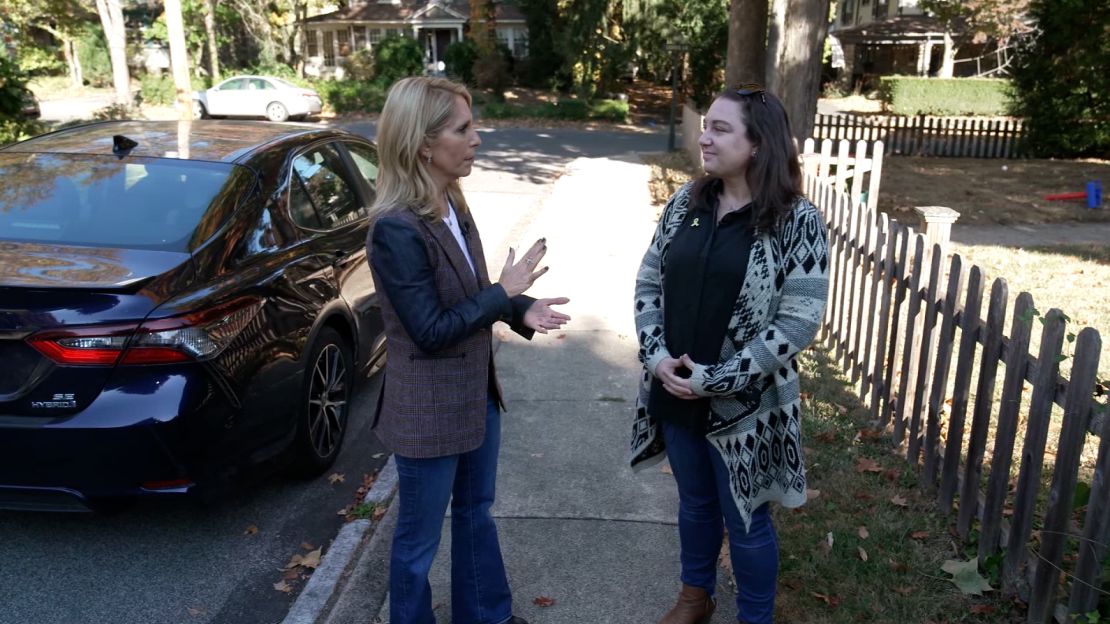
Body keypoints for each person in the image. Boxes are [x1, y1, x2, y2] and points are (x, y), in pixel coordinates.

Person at [366, 76, 570, 624]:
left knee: (476, 513)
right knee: (417, 544)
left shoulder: (450, 201)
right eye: (463, 128)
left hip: (475, 395)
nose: (477, 138)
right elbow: (431, 330)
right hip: (427, 410)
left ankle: (486, 616)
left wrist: (518, 307)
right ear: (423, 143)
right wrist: (501, 293)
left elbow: (469, 294)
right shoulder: (395, 228)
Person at [630, 86, 830, 624]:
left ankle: (755, 617)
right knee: (694, 504)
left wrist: (717, 379)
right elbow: (649, 282)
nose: (704, 136)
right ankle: (695, 597)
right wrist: (655, 356)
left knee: (746, 519)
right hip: (676, 389)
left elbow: (799, 320)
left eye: (721, 128)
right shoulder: (685, 205)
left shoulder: (795, 219)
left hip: (747, 403)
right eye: (707, 126)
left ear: (759, 144)